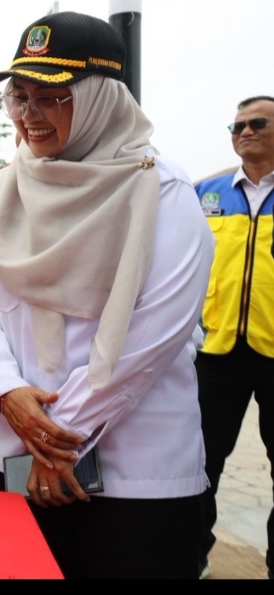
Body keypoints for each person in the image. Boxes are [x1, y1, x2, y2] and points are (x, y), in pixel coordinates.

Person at [0, 12, 212, 578]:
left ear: (100, 98)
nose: (30, 115)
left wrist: (50, 441)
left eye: (51, 96)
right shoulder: (2, 191)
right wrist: (7, 393)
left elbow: (152, 340)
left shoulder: (164, 194)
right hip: (16, 454)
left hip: (135, 475)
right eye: (20, 97)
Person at [194, 94, 274, 579]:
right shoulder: (208, 192)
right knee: (201, 464)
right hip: (216, 351)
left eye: (257, 122)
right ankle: (193, 556)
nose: (244, 131)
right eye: (237, 124)